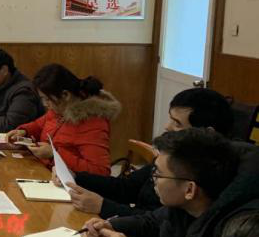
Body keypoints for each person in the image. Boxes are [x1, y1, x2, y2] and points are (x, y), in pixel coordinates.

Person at [80, 128, 258, 237]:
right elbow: (153, 222)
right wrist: (110, 227)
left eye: (158, 174)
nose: (153, 180)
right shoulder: (190, 203)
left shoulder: (244, 228)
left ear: (189, 189)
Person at [65, 88, 257, 217]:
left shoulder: (204, 178)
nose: (167, 127)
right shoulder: (172, 155)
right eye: (170, 119)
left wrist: (103, 206)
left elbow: (158, 223)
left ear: (206, 134)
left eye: (177, 123)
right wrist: (75, 177)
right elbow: (126, 187)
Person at [6, 63, 120, 176]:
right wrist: (24, 132)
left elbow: (100, 171)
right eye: (42, 99)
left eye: (47, 99)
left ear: (65, 95)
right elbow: (40, 124)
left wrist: (54, 155)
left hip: (68, 182)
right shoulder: (58, 109)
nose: (45, 104)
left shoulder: (92, 122)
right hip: (43, 170)